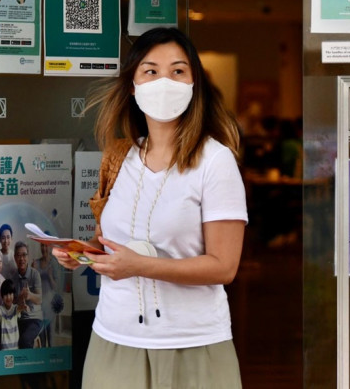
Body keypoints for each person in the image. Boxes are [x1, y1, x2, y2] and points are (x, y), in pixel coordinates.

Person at [52, 27, 247, 389]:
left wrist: (139, 266)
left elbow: (224, 266)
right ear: (133, 85)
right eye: (150, 71)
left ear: (194, 83)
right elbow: (112, 240)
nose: (164, 82)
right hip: (113, 340)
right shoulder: (118, 158)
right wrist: (87, 254)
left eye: (178, 71)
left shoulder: (215, 162)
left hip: (191, 345)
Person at [12, 241, 43, 349]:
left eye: (24, 255)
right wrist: (18, 300)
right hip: (19, 319)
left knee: (24, 341)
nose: (21, 259)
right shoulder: (13, 278)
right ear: (15, 257)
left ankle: (29, 365)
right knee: (9, 339)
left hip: (34, 319)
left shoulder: (35, 274)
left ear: (28, 257)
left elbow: (39, 299)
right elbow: (13, 303)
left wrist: (29, 295)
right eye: (18, 255)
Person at [32, 242, 59, 347]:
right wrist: (33, 271)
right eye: (42, 246)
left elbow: (56, 287)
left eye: (45, 246)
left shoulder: (54, 263)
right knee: (42, 340)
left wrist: (50, 276)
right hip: (39, 309)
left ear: (49, 247)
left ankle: (52, 363)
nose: (43, 248)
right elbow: (32, 286)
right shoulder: (36, 263)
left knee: (51, 340)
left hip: (50, 307)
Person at [0, 278, 26, 350]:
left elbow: (19, 308)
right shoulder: (1, 309)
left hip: (15, 347)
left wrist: (23, 306)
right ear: (2, 296)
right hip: (4, 348)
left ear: (13, 294)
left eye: (10, 294)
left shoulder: (15, 308)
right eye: (6, 294)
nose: (8, 297)